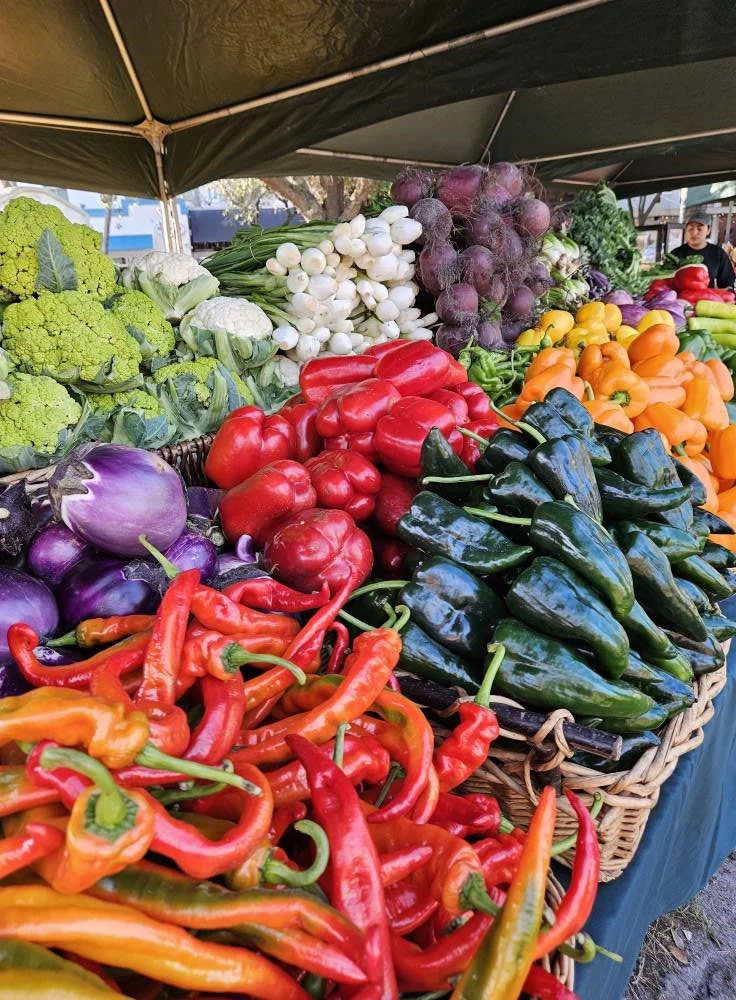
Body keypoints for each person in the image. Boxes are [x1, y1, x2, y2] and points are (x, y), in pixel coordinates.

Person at [671, 211, 735, 288]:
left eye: (699, 229)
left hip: (707, 298)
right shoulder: (675, 254)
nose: (694, 232)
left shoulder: (718, 253)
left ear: (708, 230)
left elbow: (727, 283)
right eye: (691, 228)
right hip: (680, 299)